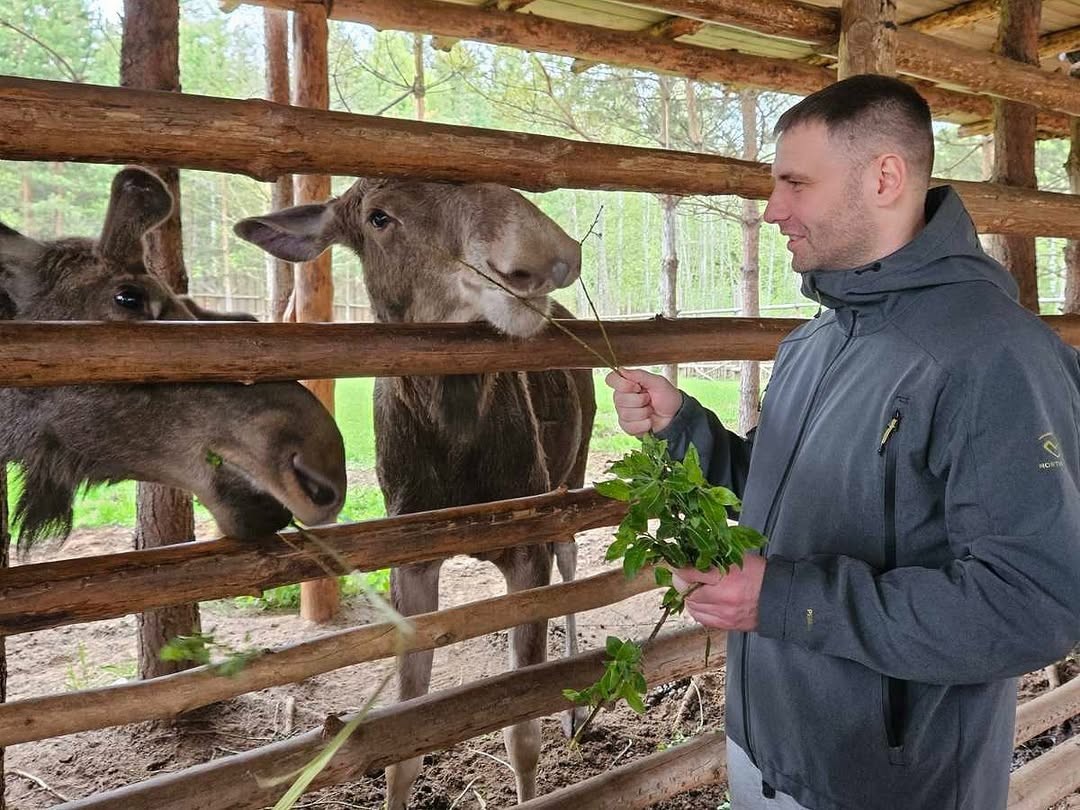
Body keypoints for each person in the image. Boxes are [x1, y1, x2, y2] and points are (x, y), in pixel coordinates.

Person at [607, 74, 1080, 810]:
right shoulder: (818, 338)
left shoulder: (996, 357)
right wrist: (685, 431)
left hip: (888, 783)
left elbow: (1029, 605)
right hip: (768, 744)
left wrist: (785, 599)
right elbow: (788, 494)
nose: (772, 211)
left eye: (796, 183)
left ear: (885, 177)